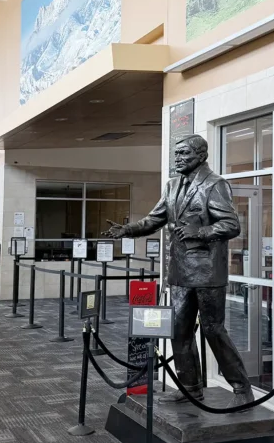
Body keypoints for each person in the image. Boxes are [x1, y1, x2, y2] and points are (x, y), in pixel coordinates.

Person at [107, 134, 255, 408]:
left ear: (201, 156)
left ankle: (241, 387)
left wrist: (201, 232)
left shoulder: (214, 185)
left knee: (213, 330)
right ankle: (190, 387)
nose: (177, 159)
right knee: (178, 330)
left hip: (208, 272)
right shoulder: (172, 185)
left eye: (183, 153)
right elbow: (155, 219)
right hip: (180, 272)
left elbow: (231, 225)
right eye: (176, 154)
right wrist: (127, 230)